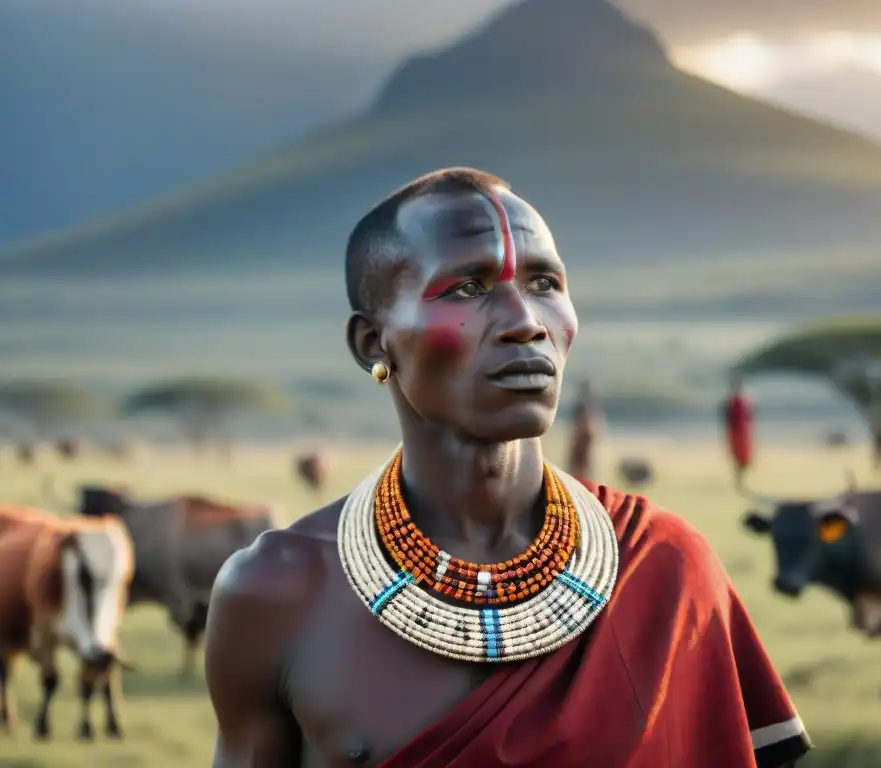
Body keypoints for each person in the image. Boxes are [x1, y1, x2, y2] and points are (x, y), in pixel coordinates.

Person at [204, 168, 811, 767]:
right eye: (467, 288)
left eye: (546, 282)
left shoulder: (667, 566)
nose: (526, 321)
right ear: (372, 344)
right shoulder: (276, 590)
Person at [566, 378, 603, 482]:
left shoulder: (590, 405)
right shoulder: (585, 406)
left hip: (585, 441)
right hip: (581, 440)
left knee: (585, 470)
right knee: (579, 470)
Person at [723, 376, 754, 489]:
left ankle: (741, 479)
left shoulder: (743, 401)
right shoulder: (736, 401)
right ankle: (739, 479)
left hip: (743, 431)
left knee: (743, 456)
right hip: (737, 432)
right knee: (738, 455)